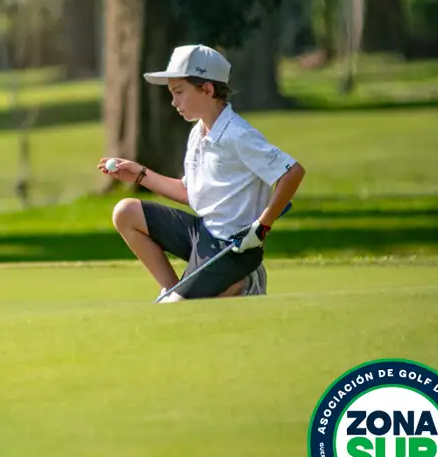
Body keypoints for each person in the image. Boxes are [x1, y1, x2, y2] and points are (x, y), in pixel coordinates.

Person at [98, 44, 306, 302]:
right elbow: (191, 193)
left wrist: (262, 226)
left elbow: (292, 172)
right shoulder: (198, 133)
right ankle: (173, 289)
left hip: (235, 248)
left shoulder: (238, 134)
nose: (174, 102)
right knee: (125, 212)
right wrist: (140, 174)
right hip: (202, 233)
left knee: (178, 308)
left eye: (179, 92)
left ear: (207, 89)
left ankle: (244, 282)